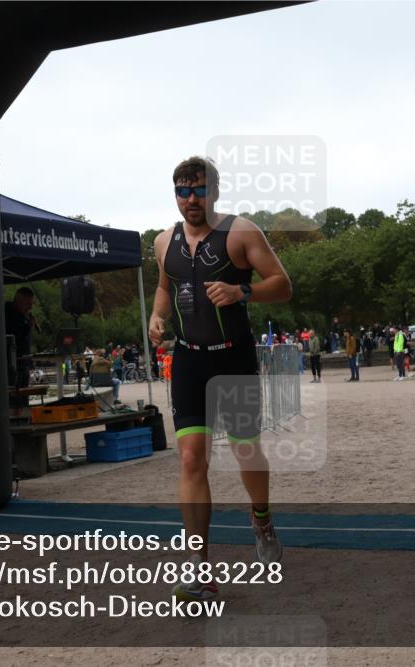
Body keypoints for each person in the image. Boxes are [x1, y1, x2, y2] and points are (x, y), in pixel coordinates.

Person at [149, 156, 292, 602]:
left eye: (199, 190)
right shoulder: (162, 241)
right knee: (192, 459)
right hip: (189, 360)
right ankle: (197, 566)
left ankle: (262, 520)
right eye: (182, 191)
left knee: (246, 450)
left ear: (215, 190)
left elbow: (282, 284)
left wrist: (241, 290)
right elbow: (165, 286)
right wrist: (156, 314)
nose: (191, 199)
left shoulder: (241, 232)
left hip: (234, 357)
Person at [4, 286, 36, 388]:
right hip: (14, 365)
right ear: (19, 301)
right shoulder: (8, 314)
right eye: (28, 304)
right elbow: (15, 337)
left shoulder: (23, 315)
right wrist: (27, 326)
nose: (30, 307)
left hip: (23, 364)